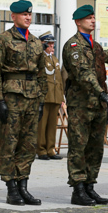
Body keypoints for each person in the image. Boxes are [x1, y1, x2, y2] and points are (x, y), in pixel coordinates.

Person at [0, 0, 47, 206]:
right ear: (13, 16)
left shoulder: (37, 42)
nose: (28, 17)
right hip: (11, 97)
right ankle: (11, 187)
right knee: (9, 142)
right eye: (23, 15)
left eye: (30, 15)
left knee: (28, 144)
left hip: (32, 97)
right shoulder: (2, 40)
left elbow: (41, 74)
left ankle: (23, 185)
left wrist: (41, 101)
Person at [62, 5, 108, 206]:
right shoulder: (73, 46)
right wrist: (102, 93)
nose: (93, 21)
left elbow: (105, 62)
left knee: (96, 148)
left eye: (94, 17)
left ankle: (89, 186)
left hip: (99, 105)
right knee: (79, 146)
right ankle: (77, 189)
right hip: (81, 105)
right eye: (88, 18)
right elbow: (84, 74)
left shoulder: (96, 46)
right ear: (78, 22)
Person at [37, 32, 65, 160]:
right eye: (49, 44)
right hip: (45, 96)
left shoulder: (55, 59)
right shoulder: (40, 58)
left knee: (52, 125)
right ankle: (41, 149)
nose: (52, 46)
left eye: (53, 44)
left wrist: (61, 97)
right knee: (42, 124)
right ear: (43, 44)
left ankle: (50, 149)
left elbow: (58, 79)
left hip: (55, 96)